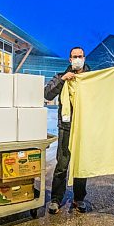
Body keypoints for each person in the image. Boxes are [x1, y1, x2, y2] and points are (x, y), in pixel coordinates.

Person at [44, 46, 91, 214]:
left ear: (84, 58)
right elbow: (47, 94)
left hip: (84, 127)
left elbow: (108, 88)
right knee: (62, 165)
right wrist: (63, 79)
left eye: (80, 56)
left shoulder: (92, 79)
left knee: (80, 164)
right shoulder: (60, 76)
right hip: (66, 127)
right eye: (74, 56)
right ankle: (56, 199)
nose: (77, 59)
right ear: (70, 60)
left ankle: (79, 199)